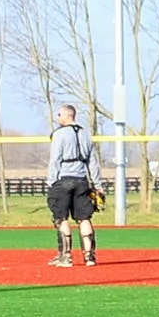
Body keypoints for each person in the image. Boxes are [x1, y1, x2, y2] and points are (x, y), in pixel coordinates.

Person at [45, 104, 100, 267]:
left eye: (59, 114)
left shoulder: (59, 134)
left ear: (68, 115)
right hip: (82, 180)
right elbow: (93, 162)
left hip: (63, 179)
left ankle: (66, 256)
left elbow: (55, 159)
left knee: (61, 218)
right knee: (84, 218)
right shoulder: (86, 134)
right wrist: (97, 184)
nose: (58, 117)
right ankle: (89, 257)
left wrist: (51, 181)